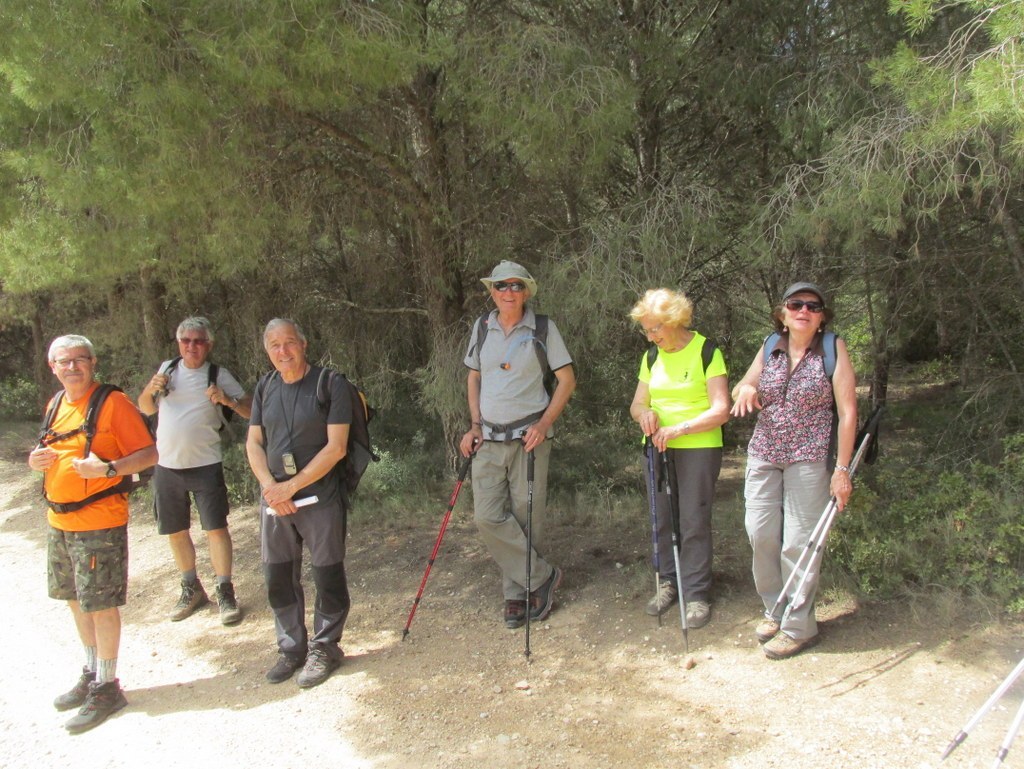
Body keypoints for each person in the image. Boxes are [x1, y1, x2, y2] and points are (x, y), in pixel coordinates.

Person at [29, 335, 158, 733]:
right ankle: (91, 671)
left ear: (92, 362)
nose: (72, 367)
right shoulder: (56, 404)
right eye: (63, 362)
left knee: (100, 605)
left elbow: (150, 454)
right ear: (53, 367)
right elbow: (49, 451)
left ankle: (107, 685)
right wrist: (35, 460)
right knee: (74, 600)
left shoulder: (113, 403)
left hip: (99, 521)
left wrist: (106, 469)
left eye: (79, 360)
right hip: (59, 521)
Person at [730, 282, 857, 660]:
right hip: (764, 452)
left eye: (813, 307)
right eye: (795, 304)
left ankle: (799, 626)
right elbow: (744, 383)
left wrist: (842, 469)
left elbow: (848, 411)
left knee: (799, 542)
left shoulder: (832, 349)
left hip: (808, 455)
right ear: (783, 314)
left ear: (821, 318)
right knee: (761, 534)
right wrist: (745, 391)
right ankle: (776, 607)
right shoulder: (771, 346)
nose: (804, 310)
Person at [459, 261, 576, 629]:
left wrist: (544, 423)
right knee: (487, 515)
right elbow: (474, 377)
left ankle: (517, 594)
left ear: (526, 291)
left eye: (515, 286)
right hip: (489, 438)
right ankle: (542, 576)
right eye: (500, 286)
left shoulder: (543, 328)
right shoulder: (482, 327)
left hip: (530, 438)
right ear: (491, 291)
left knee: (527, 519)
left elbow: (567, 380)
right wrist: (474, 424)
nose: (508, 292)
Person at [246, 318, 351, 688]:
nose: (283, 351)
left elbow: (337, 447)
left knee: (327, 574)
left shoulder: (331, 384)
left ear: (304, 344)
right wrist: (270, 486)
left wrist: (291, 486)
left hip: (319, 497)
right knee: (278, 576)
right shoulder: (265, 386)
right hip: (276, 500)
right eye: (274, 345)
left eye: (289, 342)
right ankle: (291, 649)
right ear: (267, 350)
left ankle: (325, 647)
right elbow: (253, 443)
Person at [138, 316, 252, 625]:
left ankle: (225, 590)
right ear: (179, 343)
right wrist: (151, 388)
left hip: (205, 464)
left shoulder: (217, 374)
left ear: (209, 345)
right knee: (175, 530)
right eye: (186, 341)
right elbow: (146, 407)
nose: (192, 346)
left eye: (199, 341)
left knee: (215, 528)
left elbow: (251, 410)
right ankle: (191, 588)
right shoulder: (167, 369)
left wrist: (226, 400)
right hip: (167, 465)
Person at [628, 289, 730, 628]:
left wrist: (680, 429)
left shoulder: (706, 351)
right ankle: (667, 582)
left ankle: (697, 593)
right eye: (646, 330)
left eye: (656, 328)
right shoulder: (652, 356)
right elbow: (637, 403)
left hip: (698, 446)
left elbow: (721, 410)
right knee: (662, 519)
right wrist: (644, 415)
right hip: (656, 446)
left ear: (675, 320)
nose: (652, 335)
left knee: (693, 520)